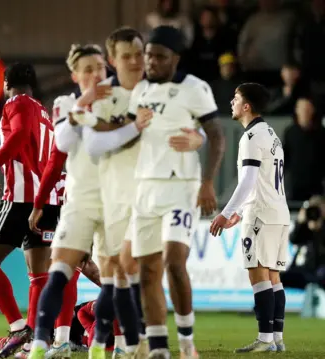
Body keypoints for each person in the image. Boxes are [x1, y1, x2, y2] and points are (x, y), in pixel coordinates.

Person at [27, 43, 150, 359]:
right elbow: (64, 141)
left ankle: (100, 346)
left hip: (115, 201)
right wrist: (83, 104)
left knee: (112, 277)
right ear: (75, 74)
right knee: (60, 270)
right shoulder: (65, 102)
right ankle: (42, 343)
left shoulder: (122, 98)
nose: (96, 74)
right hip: (79, 200)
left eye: (99, 67)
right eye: (88, 69)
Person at [126, 26, 225, 359]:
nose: (151, 62)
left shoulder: (195, 88)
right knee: (147, 270)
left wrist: (207, 181)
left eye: (159, 56)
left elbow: (217, 135)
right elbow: (130, 139)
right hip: (144, 188)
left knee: (174, 263)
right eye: (148, 55)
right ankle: (156, 345)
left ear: (176, 59)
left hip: (181, 187)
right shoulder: (138, 90)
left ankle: (186, 342)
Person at [0, 62, 61, 359]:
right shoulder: (44, 112)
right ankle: (35, 342)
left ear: (5, 84)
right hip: (46, 199)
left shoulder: (16, 103)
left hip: (21, 197)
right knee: (38, 276)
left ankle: (17, 327)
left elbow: (20, 133)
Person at [210, 82, 290, 353]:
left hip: (261, 215)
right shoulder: (271, 134)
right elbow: (263, 182)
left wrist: (226, 213)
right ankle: (276, 338)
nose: (231, 102)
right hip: (278, 212)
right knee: (273, 276)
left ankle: (265, 338)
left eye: (235, 98)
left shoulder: (252, 137)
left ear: (246, 106)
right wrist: (240, 212)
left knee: (258, 275)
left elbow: (247, 182)